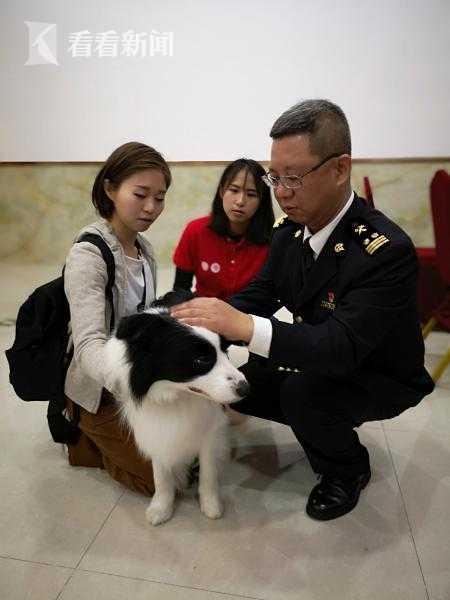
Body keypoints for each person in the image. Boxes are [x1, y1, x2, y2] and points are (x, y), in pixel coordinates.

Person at [171, 99, 435, 521]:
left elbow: (340, 347)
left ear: (339, 169)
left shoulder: (384, 252)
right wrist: (202, 326)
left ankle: (346, 469)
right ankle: (321, 426)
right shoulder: (291, 230)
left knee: (303, 396)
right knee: (244, 380)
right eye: (275, 177)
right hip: (322, 357)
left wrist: (241, 325)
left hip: (378, 373)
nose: (281, 193)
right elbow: (261, 292)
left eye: (294, 178)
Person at [64, 141, 172, 495]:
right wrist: (139, 385)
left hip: (134, 375)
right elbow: (89, 345)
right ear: (110, 189)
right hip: (100, 386)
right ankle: (84, 435)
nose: (151, 207)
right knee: (158, 480)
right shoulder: (88, 254)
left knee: (184, 457)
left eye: (159, 196)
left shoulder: (145, 250)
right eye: (140, 194)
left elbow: (145, 322)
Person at [172, 158, 274, 300]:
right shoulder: (195, 230)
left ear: (261, 201)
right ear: (221, 191)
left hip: (250, 319)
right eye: (234, 190)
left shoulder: (274, 239)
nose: (240, 201)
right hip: (202, 316)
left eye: (251, 194)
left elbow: (270, 297)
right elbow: (180, 290)